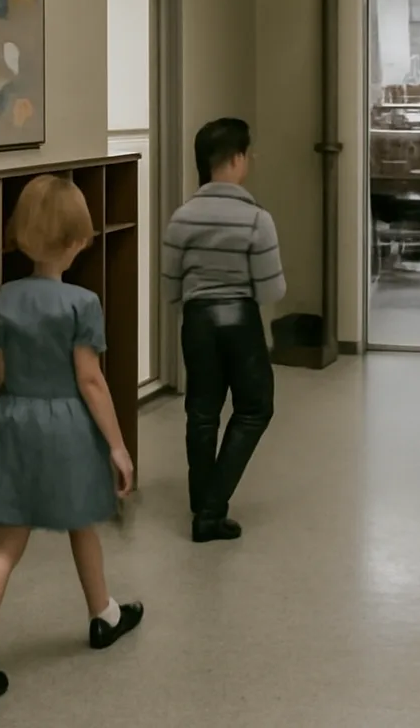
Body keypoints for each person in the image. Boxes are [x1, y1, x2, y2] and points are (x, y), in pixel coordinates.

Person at [0, 175, 143, 698]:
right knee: (83, 521)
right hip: (65, 423)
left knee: (3, 545)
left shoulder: (3, 299)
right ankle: (103, 613)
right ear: (78, 241)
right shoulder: (82, 303)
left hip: (11, 420)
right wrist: (119, 447)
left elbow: (2, 372)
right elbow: (91, 381)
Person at [162, 118, 286, 542]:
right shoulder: (256, 219)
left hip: (197, 320)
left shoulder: (181, 218)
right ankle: (211, 508)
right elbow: (273, 289)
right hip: (240, 320)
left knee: (201, 413)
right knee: (255, 408)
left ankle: (204, 506)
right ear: (236, 159)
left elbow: (170, 285)